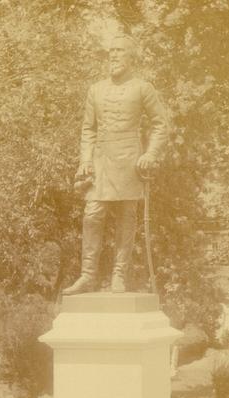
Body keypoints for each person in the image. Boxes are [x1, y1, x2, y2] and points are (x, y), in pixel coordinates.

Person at [63, 34, 168, 295]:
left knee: (126, 218)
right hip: (100, 160)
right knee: (92, 215)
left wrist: (151, 154)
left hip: (130, 160)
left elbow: (160, 125)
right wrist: (85, 159)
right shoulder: (96, 89)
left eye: (119, 51)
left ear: (132, 57)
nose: (113, 56)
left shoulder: (143, 88)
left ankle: (119, 274)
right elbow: (88, 129)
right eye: (111, 51)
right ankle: (88, 275)